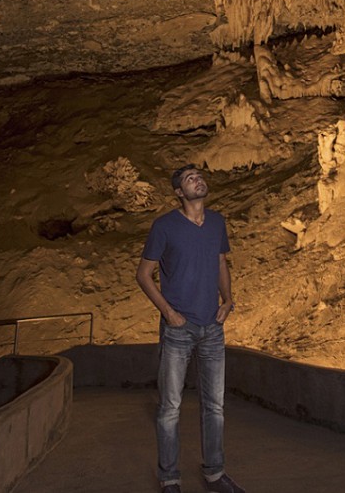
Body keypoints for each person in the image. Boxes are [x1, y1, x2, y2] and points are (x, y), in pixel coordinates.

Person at [137, 163, 245, 493]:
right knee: (170, 407)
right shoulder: (165, 226)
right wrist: (169, 313)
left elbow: (220, 262)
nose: (197, 180)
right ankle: (169, 477)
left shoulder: (216, 222)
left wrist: (227, 301)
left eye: (199, 175)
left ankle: (214, 472)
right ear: (179, 193)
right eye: (189, 179)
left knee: (215, 406)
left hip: (212, 326)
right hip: (178, 329)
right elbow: (143, 275)